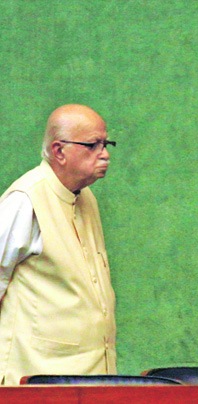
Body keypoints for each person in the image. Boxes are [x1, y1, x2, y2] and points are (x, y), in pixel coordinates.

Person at [0, 104, 117, 385]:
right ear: (59, 151)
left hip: (91, 380)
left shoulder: (86, 198)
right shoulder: (25, 199)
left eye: (105, 144)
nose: (105, 154)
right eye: (92, 145)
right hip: (33, 384)